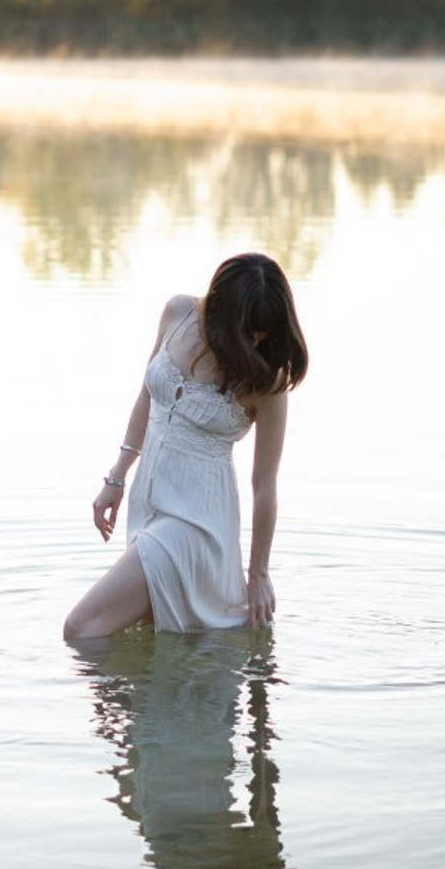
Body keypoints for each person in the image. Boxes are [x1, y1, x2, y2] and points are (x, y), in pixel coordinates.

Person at [63, 252, 308, 640]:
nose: (256, 340)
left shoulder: (266, 378)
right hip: (148, 506)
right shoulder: (177, 313)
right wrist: (116, 476)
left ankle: (117, 701)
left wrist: (258, 572)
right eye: (248, 328)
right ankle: (144, 701)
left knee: (81, 629)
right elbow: (147, 397)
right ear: (220, 309)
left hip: (196, 525)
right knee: (152, 644)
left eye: (264, 331)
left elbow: (265, 484)